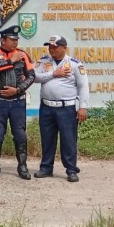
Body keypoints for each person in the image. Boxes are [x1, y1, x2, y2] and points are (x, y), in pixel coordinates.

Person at [33, 35, 89, 183]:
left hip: (67, 108)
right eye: (50, 47)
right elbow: (33, 77)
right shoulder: (43, 61)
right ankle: (46, 168)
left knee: (69, 140)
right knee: (47, 139)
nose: (52, 49)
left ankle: (71, 170)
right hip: (46, 107)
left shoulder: (75, 64)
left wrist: (83, 107)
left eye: (55, 47)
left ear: (64, 48)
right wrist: (53, 74)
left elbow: (83, 86)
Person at [0, 25, 35, 180]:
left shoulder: (23, 55)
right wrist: (10, 61)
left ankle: (22, 166)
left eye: (16, 39)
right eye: (12, 40)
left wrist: (18, 90)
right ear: (3, 40)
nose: (15, 42)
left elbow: (32, 76)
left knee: (20, 135)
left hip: (17, 102)